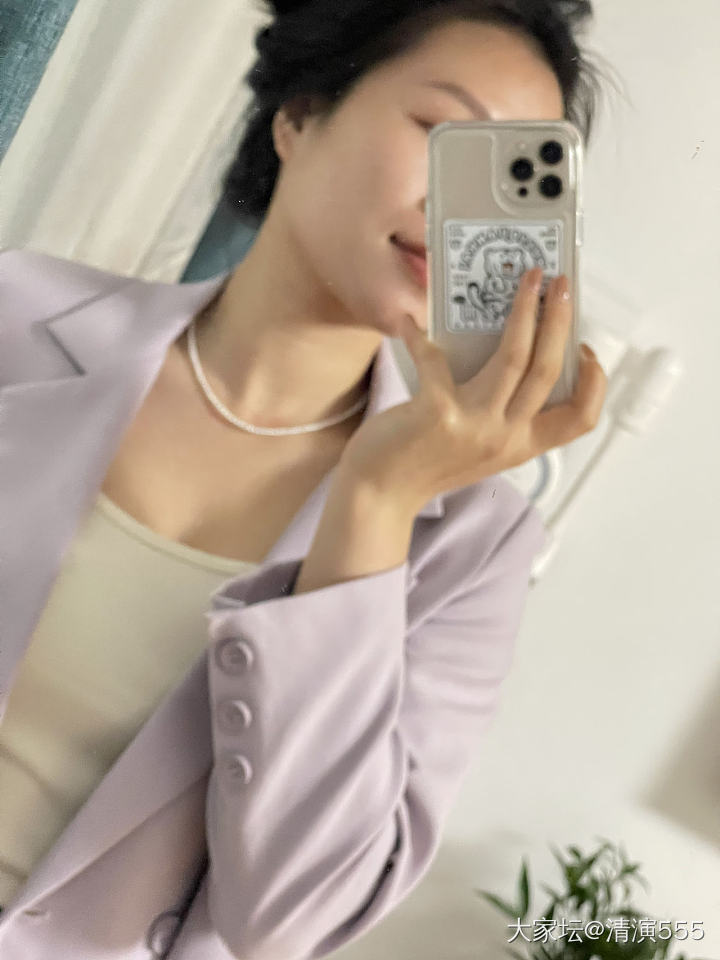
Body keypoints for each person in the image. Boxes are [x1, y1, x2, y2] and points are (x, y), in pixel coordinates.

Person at [0, 0, 609, 956]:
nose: (464, 209)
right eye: (443, 133)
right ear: (300, 113)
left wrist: (376, 507)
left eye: (512, 173)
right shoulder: (17, 320)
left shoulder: (473, 548)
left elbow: (290, 920)